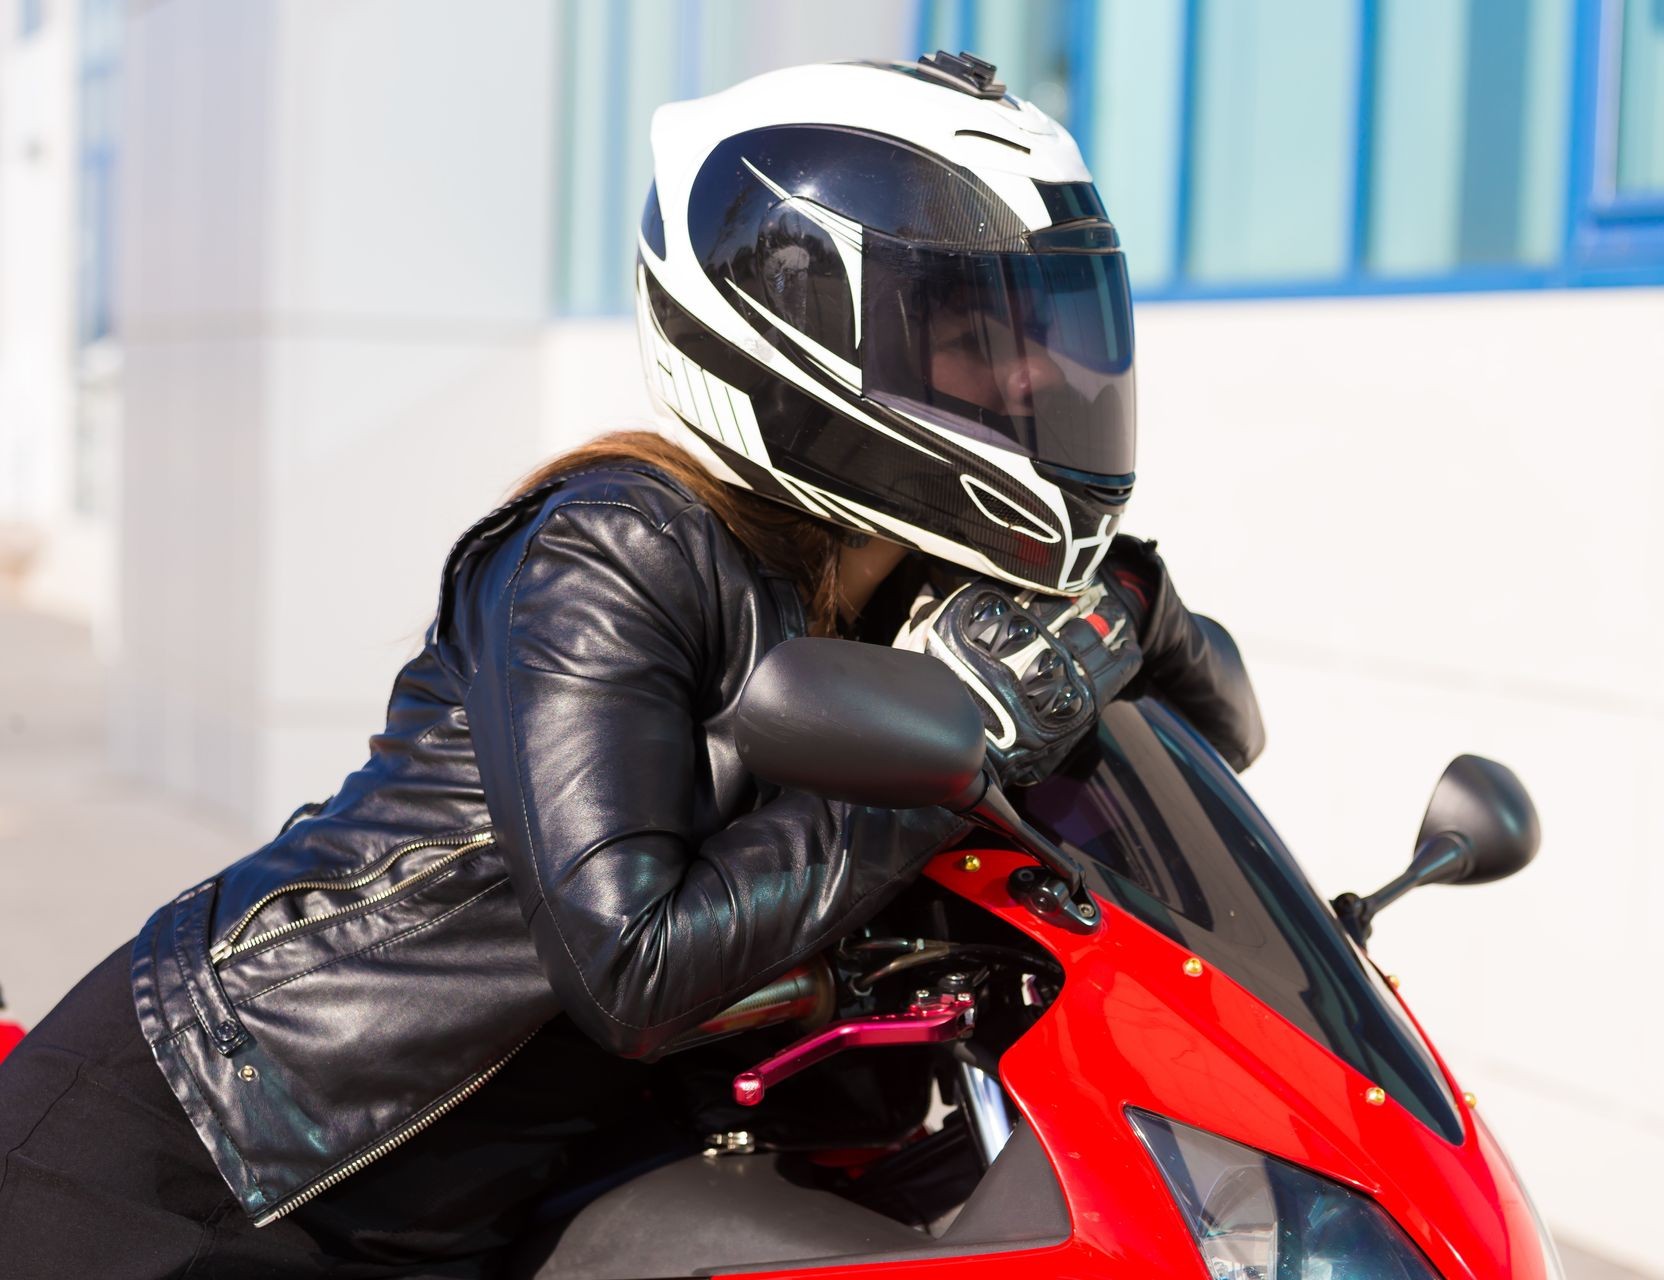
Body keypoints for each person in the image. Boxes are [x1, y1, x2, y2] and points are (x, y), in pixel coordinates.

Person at [0, 53, 1261, 1276]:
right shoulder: (619, 546)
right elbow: (634, 965)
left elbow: (1224, 731)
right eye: (980, 336)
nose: (1039, 371)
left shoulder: (921, 607)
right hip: (206, 1169)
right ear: (811, 330)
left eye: (1044, 328)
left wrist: (1133, 609)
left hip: (463, 1209)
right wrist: (970, 734)